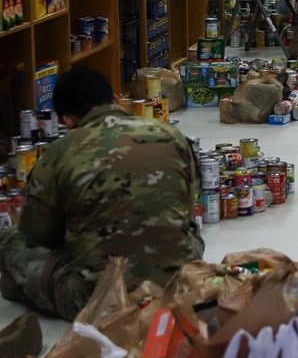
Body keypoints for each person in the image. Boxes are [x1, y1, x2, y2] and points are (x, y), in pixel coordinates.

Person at [0, 67, 205, 321]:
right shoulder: (171, 135)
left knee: (10, 242)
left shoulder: (60, 151)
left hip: (96, 301)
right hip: (178, 284)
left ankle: (20, 292)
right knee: (188, 229)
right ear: (117, 100)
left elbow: (37, 236)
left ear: (67, 120)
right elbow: (187, 207)